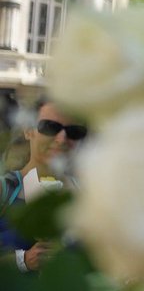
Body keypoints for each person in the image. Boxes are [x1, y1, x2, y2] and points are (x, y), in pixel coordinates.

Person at [1, 99, 86, 273]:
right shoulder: (5, 189)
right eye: (50, 127)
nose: (62, 139)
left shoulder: (86, 196)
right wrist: (22, 260)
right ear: (28, 130)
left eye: (74, 132)